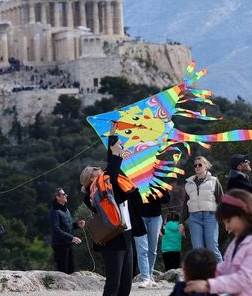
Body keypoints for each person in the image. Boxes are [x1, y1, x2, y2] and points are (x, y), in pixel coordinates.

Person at [184, 189, 252, 295]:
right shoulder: (238, 242)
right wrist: (205, 274)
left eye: (228, 221)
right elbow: (227, 267)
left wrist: (209, 285)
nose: (227, 228)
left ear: (244, 214)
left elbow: (245, 278)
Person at [80, 125, 138, 296]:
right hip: (112, 238)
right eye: (95, 170)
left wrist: (112, 137)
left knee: (126, 281)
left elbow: (110, 172)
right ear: (91, 178)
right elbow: (111, 172)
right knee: (114, 282)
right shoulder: (93, 193)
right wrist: (115, 151)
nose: (98, 169)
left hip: (125, 234)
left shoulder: (106, 186)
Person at [179, 156, 223, 263]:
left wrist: (226, 218)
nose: (197, 167)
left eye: (200, 165)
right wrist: (181, 222)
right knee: (198, 250)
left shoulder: (214, 181)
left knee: (212, 247)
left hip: (211, 217)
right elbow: (186, 204)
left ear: (206, 166)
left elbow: (222, 200)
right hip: (194, 218)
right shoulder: (189, 184)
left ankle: (223, 273)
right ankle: (203, 276)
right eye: (195, 165)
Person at [133, 185, 169, 288]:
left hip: (155, 217)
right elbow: (131, 199)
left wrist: (154, 194)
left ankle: (149, 275)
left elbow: (166, 199)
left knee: (152, 249)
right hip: (139, 218)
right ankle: (145, 278)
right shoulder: (135, 179)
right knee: (142, 249)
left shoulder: (159, 181)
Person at [49, 187, 85, 274]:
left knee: (71, 269)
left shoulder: (66, 210)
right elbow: (56, 230)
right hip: (60, 245)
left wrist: (77, 225)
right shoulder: (54, 212)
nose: (66, 195)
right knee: (63, 272)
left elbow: (67, 226)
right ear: (58, 197)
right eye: (64, 194)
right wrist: (71, 238)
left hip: (68, 244)